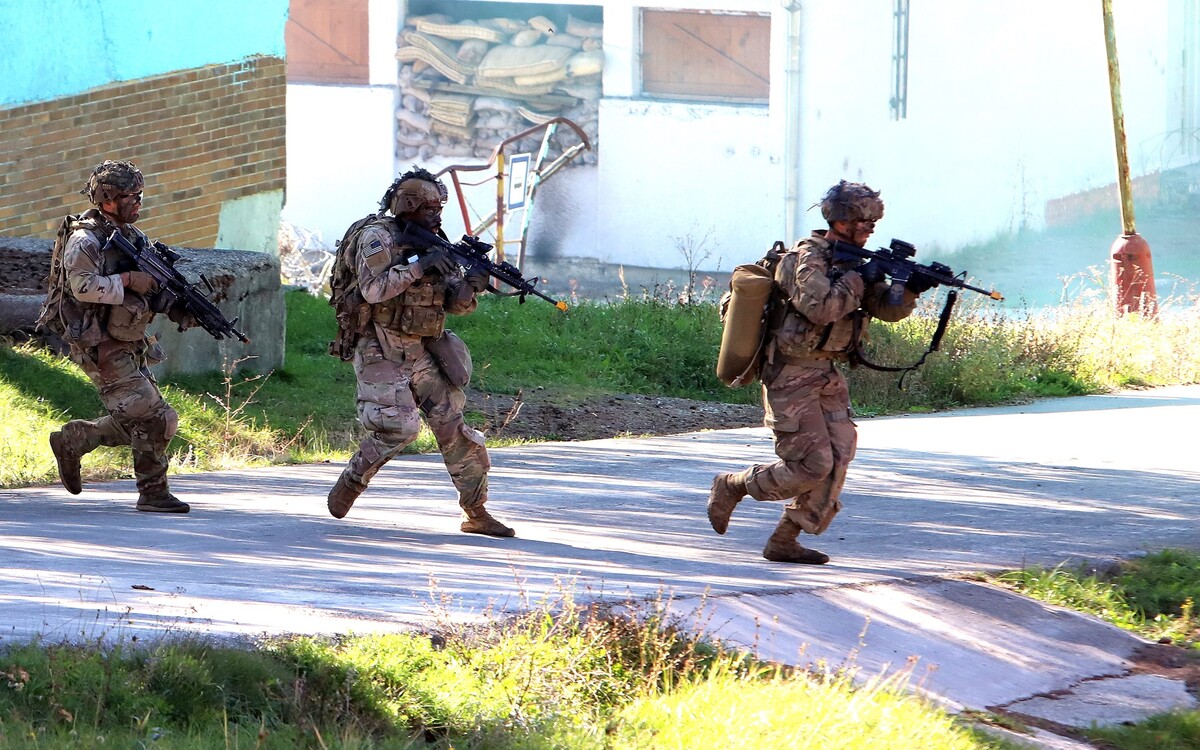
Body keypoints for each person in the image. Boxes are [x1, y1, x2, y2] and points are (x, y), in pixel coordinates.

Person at [705, 180, 939, 563]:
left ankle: (784, 540)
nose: (869, 228)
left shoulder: (854, 263)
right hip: (789, 374)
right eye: (862, 220)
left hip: (827, 373)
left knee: (839, 457)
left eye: (873, 221)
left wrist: (909, 288)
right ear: (840, 219)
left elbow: (886, 310)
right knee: (812, 464)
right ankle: (734, 485)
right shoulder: (804, 259)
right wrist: (862, 276)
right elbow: (822, 308)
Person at [325, 166, 515, 537]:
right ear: (408, 206)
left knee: (455, 430)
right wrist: (419, 265)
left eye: (438, 208)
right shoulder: (376, 238)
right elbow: (374, 290)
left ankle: (476, 513)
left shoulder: (433, 239)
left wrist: (469, 287)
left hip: (421, 347)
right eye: (429, 208)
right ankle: (354, 478)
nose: (437, 216)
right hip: (379, 345)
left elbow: (454, 303)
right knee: (399, 427)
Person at [40, 160, 197, 513]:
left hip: (127, 337)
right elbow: (82, 286)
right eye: (132, 196)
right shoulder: (85, 240)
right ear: (108, 199)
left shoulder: (130, 237)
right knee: (157, 416)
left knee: (144, 418)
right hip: (94, 341)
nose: (139, 202)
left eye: (140, 195)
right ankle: (153, 493)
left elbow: (153, 286)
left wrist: (178, 307)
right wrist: (127, 281)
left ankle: (77, 440)